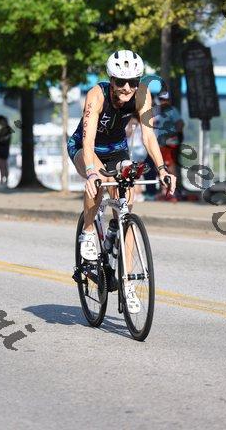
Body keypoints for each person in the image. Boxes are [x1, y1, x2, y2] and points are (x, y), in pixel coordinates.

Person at [67, 50, 176, 313]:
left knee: (128, 198)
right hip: (86, 148)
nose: (127, 87)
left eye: (133, 82)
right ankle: (89, 232)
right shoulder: (97, 95)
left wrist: (162, 169)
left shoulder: (141, 96)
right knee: (99, 181)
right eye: (120, 81)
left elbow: (148, 137)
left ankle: (127, 282)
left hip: (117, 149)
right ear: (111, 80)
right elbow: (88, 140)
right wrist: (91, 172)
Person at [154, 90, 184, 183]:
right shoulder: (156, 111)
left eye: (165, 100)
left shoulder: (172, 110)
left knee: (170, 164)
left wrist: (173, 135)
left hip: (169, 142)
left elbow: (180, 123)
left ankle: (173, 186)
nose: (163, 101)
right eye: (161, 99)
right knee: (160, 165)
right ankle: (164, 187)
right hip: (160, 143)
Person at [0, 115, 12, 188]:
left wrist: (0, 138)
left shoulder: (7, 129)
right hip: (1, 149)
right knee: (3, 166)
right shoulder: (2, 129)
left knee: (3, 166)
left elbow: (2, 139)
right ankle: (4, 181)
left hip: (3, 149)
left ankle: (3, 181)